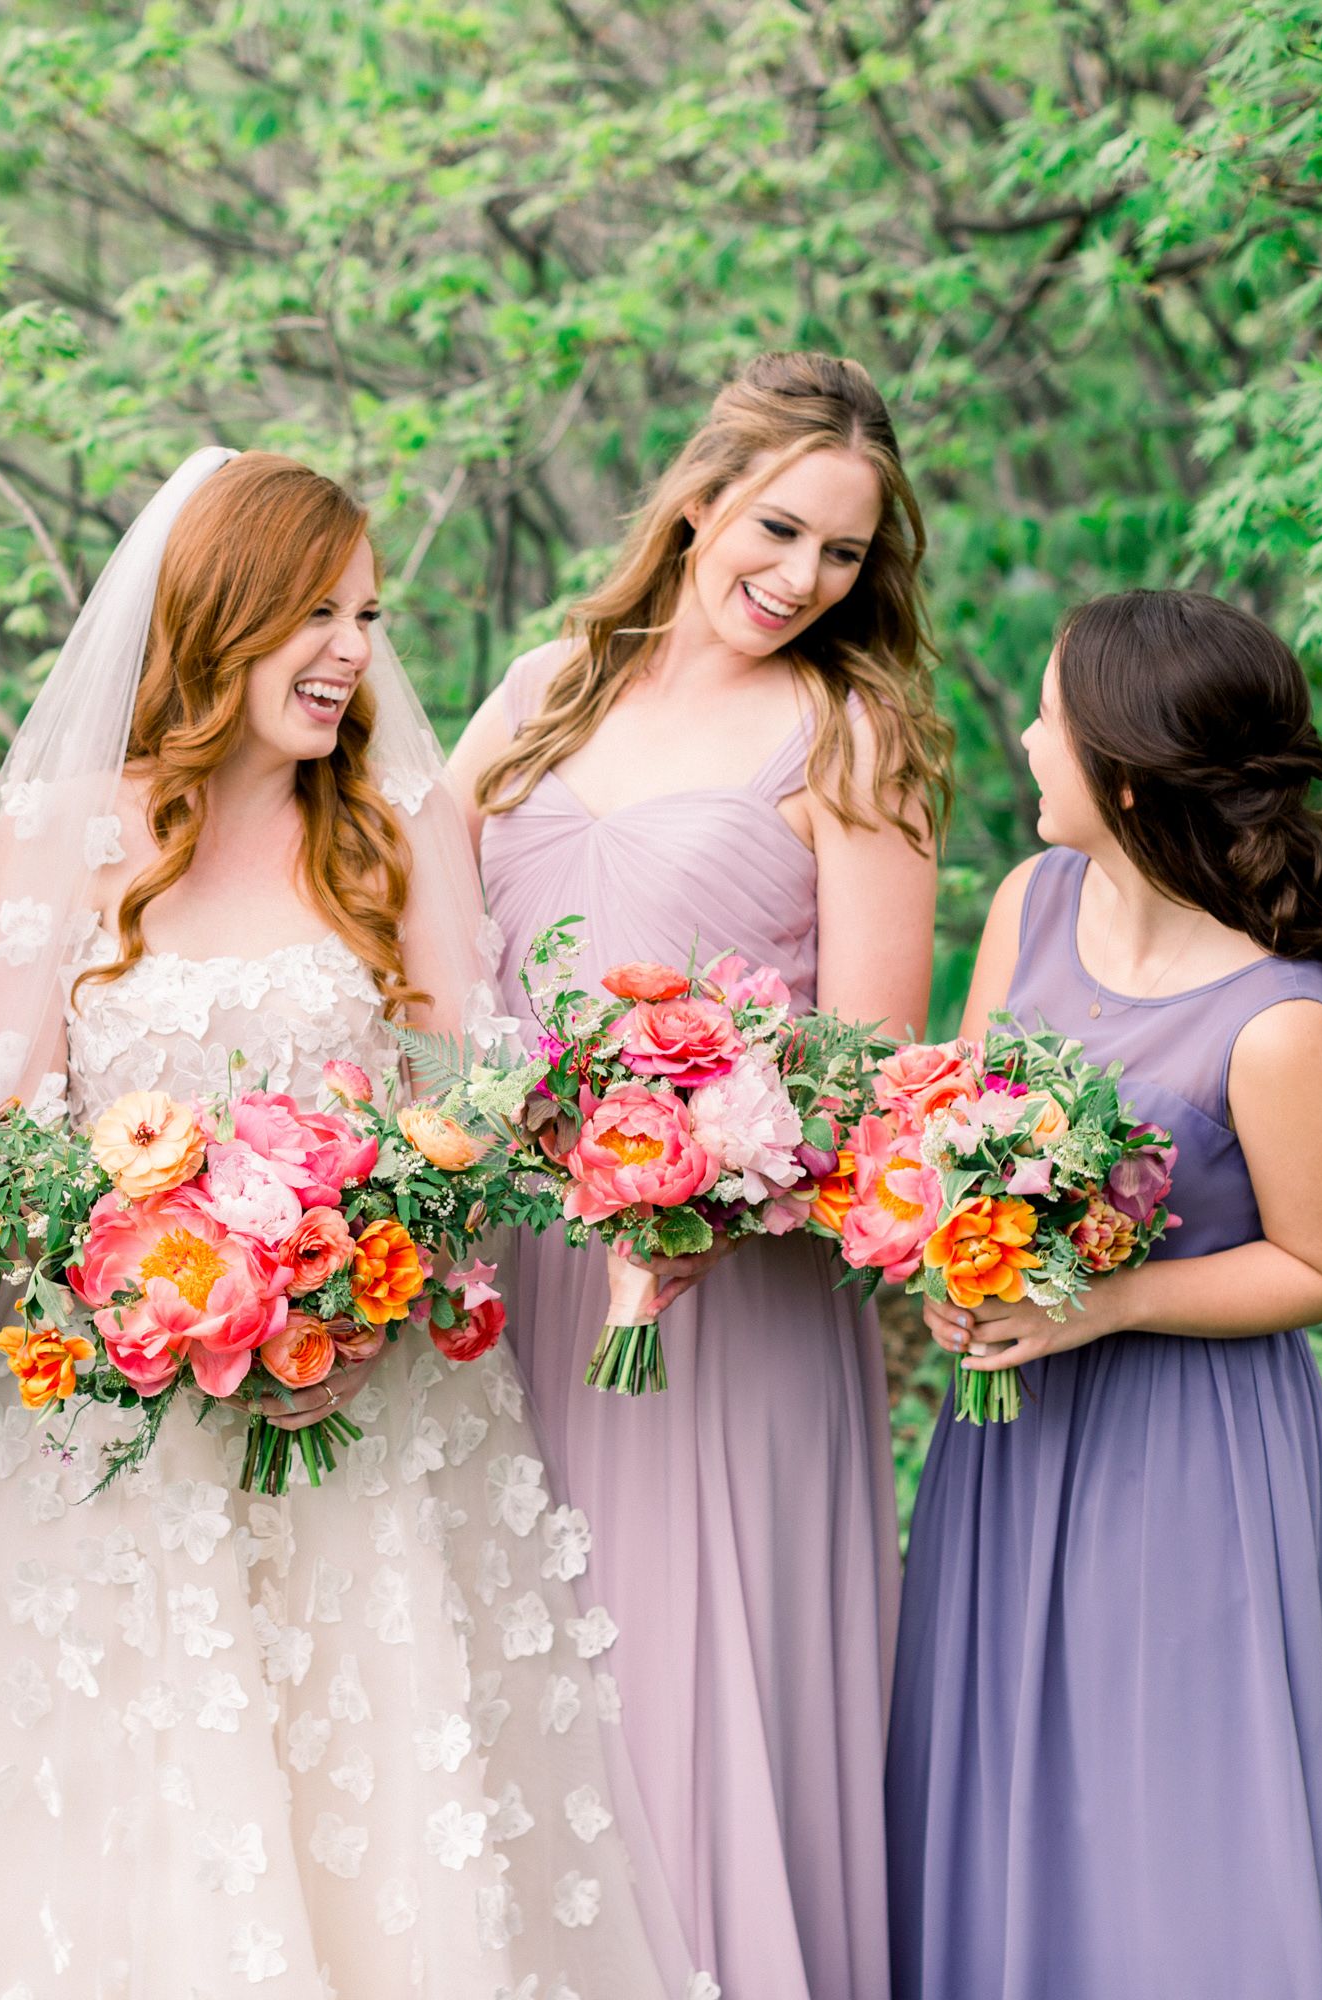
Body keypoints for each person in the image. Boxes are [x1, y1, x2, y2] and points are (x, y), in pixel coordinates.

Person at [0, 448, 691, 1998]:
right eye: (315, 611)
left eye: (368, 614)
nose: (354, 651)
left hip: (370, 1424)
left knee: (379, 1825)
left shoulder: (396, 836)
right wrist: (137, 1298)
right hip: (107, 1438)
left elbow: (475, 1119)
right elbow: (1, 1141)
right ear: (218, 614)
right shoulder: (66, 829)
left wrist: (354, 1301)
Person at [447, 351, 948, 1998]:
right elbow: (415, 933)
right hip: (518, 1268)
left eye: (845, 555)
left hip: (720, 1285)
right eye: (781, 527)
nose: (802, 578)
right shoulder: (546, 686)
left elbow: (868, 1064)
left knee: (683, 1671)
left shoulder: (853, 733)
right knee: (514, 1652)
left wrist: (706, 1201)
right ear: (698, 498)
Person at [885, 588, 1322, 2000]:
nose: (1023, 735)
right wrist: (954, 1262)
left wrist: (1103, 1305)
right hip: (1012, 1425)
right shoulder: (1031, 901)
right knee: (1003, 1755)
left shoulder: (1275, 1018)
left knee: (1166, 1776)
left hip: (1189, 1447)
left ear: (1119, 770)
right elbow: (962, 1131)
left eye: (1048, 714)